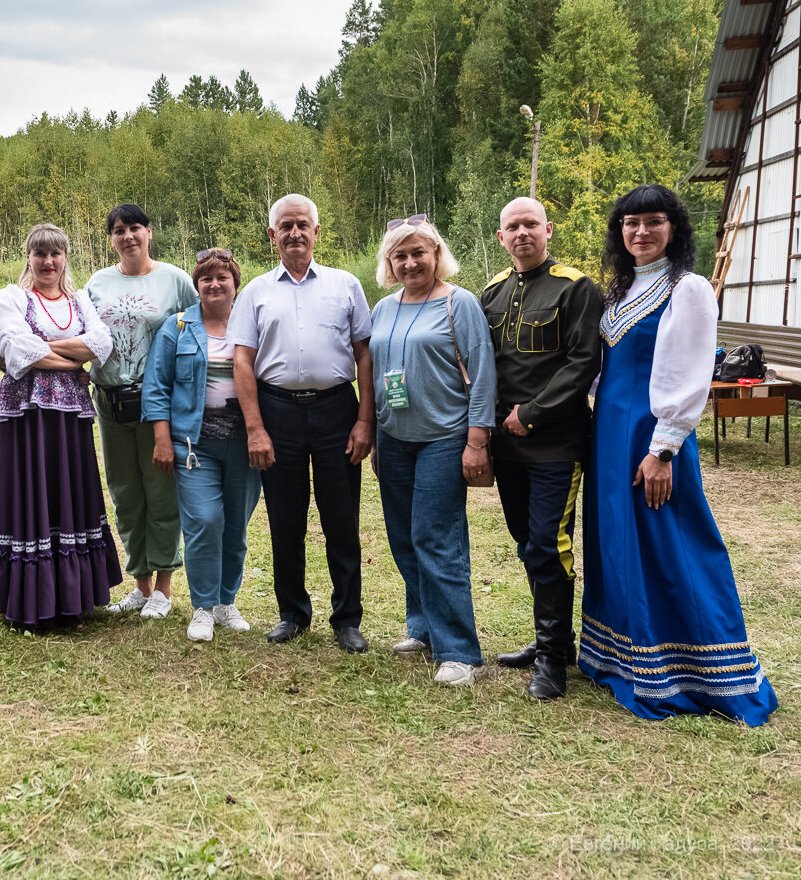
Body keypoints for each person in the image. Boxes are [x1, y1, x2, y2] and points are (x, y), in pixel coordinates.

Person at [580, 184, 777, 725]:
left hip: (651, 435)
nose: (641, 231)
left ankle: (697, 668)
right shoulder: (619, 291)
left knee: (672, 541)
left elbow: (689, 370)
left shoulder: (687, 289)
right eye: (630, 223)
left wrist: (664, 449)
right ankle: (625, 658)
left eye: (653, 221)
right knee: (620, 540)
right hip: (611, 433)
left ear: (674, 228)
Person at [229, 194, 375, 650]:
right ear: (272, 236)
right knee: (285, 520)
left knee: (341, 518)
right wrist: (255, 428)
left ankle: (347, 618)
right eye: (285, 226)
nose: (295, 233)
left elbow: (364, 354)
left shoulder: (346, 284)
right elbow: (242, 362)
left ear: (316, 231)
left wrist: (364, 420)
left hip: (336, 410)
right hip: (278, 413)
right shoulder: (254, 291)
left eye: (302, 225)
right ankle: (292, 613)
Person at [480, 197, 603, 700]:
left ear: (548, 230)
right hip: (507, 446)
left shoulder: (576, 287)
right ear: (501, 237)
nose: (523, 233)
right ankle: (551, 640)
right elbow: (480, 364)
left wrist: (530, 413)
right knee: (526, 542)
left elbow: (582, 362)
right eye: (513, 226)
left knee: (551, 545)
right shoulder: (490, 293)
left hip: (556, 442)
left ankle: (553, 660)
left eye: (531, 224)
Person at [368, 215, 496, 687]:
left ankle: (458, 650)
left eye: (418, 252)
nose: (409, 262)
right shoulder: (383, 308)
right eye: (399, 255)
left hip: (445, 438)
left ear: (437, 255)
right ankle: (422, 627)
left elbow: (482, 375)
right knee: (403, 536)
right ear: (389, 262)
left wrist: (477, 440)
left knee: (435, 537)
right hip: (394, 438)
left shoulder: (458, 304)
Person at [0, 223, 121, 627]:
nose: (48, 262)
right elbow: (12, 347)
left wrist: (41, 349)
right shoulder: (12, 297)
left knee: (69, 491)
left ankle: (73, 599)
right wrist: (73, 361)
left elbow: (101, 343)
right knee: (31, 494)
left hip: (69, 415)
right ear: (28, 256)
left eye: (55, 254)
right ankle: (31, 602)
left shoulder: (80, 300)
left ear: (66, 257)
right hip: (25, 415)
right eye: (40, 254)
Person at [84, 204, 197, 619]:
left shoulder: (176, 280)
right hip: (110, 402)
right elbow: (85, 335)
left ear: (149, 232)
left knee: (161, 490)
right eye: (118, 230)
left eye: (134, 228)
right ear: (111, 238)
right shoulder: (97, 283)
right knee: (125, 492)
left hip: (156, 405)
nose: (127, 236)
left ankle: (165, 587)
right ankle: (141, 586)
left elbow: (199, 325)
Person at [142, 248, 260, 643]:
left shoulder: (253, 324)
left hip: (246, 444)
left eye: (222, 278)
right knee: (204, 522)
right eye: (206, 278)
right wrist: (161, 437)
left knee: (235, 528)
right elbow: (156, 386)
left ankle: (227, 602)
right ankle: (203, 608)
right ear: (197, 285)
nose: (214, 284)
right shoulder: (176, 327)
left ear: (235, 284)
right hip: (195, 445)